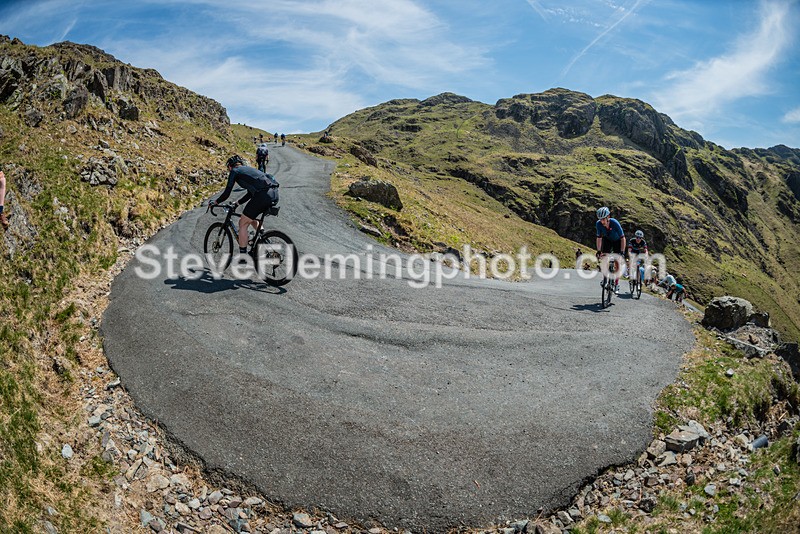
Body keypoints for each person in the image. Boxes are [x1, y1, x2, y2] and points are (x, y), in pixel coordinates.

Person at [209, 155, 279, 261]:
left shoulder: (235, 171)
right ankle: (263, 239)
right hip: (273, 193)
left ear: (229, 167)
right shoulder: (248, 170)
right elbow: (250, 193)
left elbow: (227, 192)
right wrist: (237, 203)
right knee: (250, 218)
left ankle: (243, 256)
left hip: (263, 194)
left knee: (242, 223)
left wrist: (216, 202)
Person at [595, 206, 626, 294]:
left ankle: (616, 283)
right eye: (600, 219)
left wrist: (622, 252)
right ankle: (604, 280)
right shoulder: (598, 224)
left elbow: (623, 238)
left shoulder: (614, 223)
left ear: (608, 217)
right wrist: (598, 250)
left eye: (603, 219)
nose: (602, 221)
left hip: (617, 241)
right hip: (607, 240)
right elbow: (599, 238)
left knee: (617, 261)